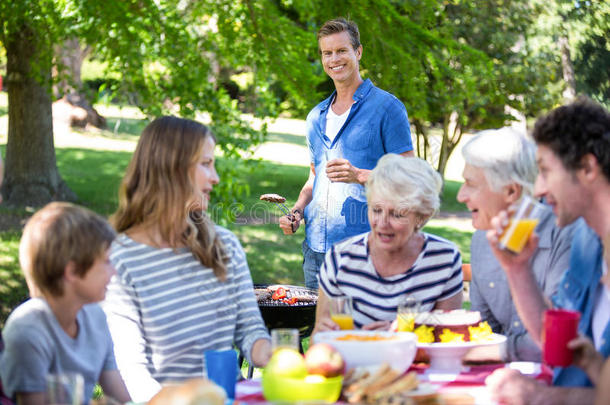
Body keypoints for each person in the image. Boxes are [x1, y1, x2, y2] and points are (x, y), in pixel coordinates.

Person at [102, 116, 271, 403]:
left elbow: (249, 330)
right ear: (172, 169)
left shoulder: (224, 245)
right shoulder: (119, 260)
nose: (215, 177)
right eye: (206, 164)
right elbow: (131, 370)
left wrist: (277, 355)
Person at [484, 97, 610, 404]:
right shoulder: (586, 239)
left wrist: (539, 397)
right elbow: (554, 337)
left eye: (545, 171)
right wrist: (516, 269)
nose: (538, 189)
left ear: (587, 167)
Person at [279, 18, 414, 289]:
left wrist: (360, 175)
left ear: (358, 52)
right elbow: (313, 179)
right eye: (327, 53)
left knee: (364, 331)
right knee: (320, 331)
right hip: (315, 250)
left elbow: (410, 176)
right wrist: (296, 211)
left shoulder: (388, 108)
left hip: (364, 248)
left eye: (341, 51)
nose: (334, 59)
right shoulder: (315, 116)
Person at [457, 128, 575, 362]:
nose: (461, 195)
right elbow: (483, 327)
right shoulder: (482, 239)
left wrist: (476, 353)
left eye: (470, 184)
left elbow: (561, 340)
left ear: (511, 191)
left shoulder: (566, 238)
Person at [313, 154, 462, 333]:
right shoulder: (340, 258)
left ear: (422, 216)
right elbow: (318, 342)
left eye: (397, 214)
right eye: (376, 210)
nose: (382, 223)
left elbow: (450, 339)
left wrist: (405, 336)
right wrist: (337, 338)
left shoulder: (443, 258)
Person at [0, 202, 131, 405]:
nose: (114, 271)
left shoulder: (95, 316)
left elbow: (120, 398)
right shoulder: (27, 332)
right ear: (72, 272)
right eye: (106, 262)